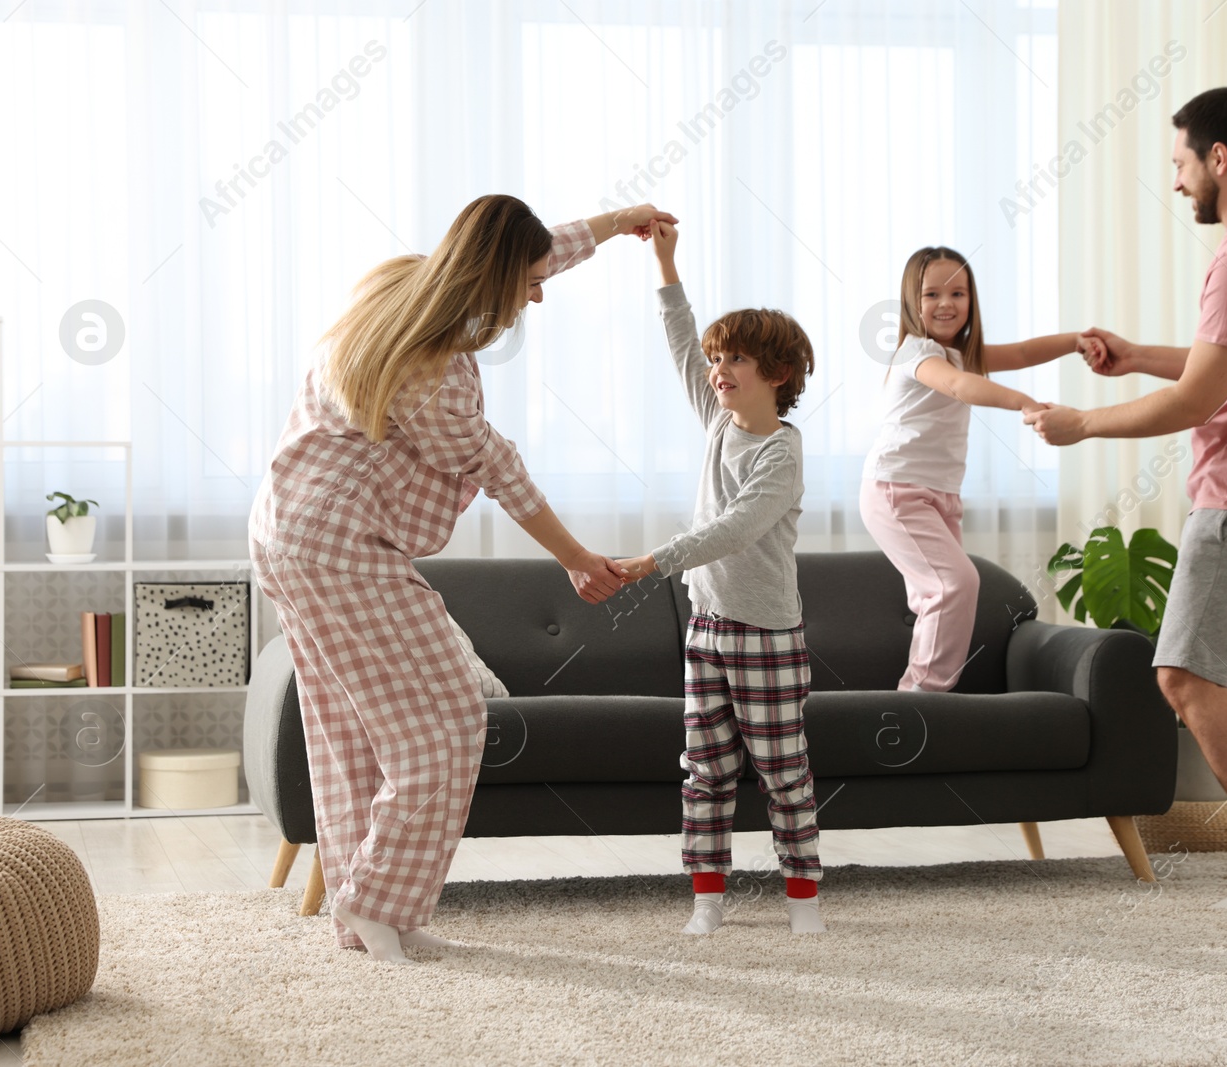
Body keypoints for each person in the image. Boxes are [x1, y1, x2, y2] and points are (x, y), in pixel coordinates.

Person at [250, 195, 676, 961]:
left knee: (348, 732)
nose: (539, 295)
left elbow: (539, 249)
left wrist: (618, 224)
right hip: (338, 547)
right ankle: (379, 901)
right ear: (496, 277)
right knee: (449, 716)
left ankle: (368, 914)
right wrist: (580, 558)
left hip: (284, 532)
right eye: (531, 282)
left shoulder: (402, 290)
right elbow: (501, 470)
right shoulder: (434, 377)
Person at [1026, 87, 1227, 909]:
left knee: (1187, 677)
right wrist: (1135, 358)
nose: (1176, 183)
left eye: (1179, 164)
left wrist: (1082, 423)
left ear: (1219, 159)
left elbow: (1199, 401)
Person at [615, 220, 825, 935]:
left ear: (778, 374)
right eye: (717, 357)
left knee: (782, 774)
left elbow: (736, 527)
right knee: (704, 770)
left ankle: (803, 901)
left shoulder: (781, 455)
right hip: (706, 627)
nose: (718, 368)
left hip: (766, 633)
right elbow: (681, 342)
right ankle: (707, 898)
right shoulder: (716, 418)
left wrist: (654, 560)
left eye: (735, 358)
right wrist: (666, 265)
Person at [860, 245, 1104, 691]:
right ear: (912, 304)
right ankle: (922, 696)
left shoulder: (962, 352)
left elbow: (1026, 351)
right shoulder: (918, 353)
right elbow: (958, 387)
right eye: (931, 294)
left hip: (940, 494)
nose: (946, 304)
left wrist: (1075, 341)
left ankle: (926, 688)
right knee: (954, 584)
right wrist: (1025, 402)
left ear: (972, 300)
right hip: (896, 489)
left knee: (939, 593)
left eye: (958, 293)